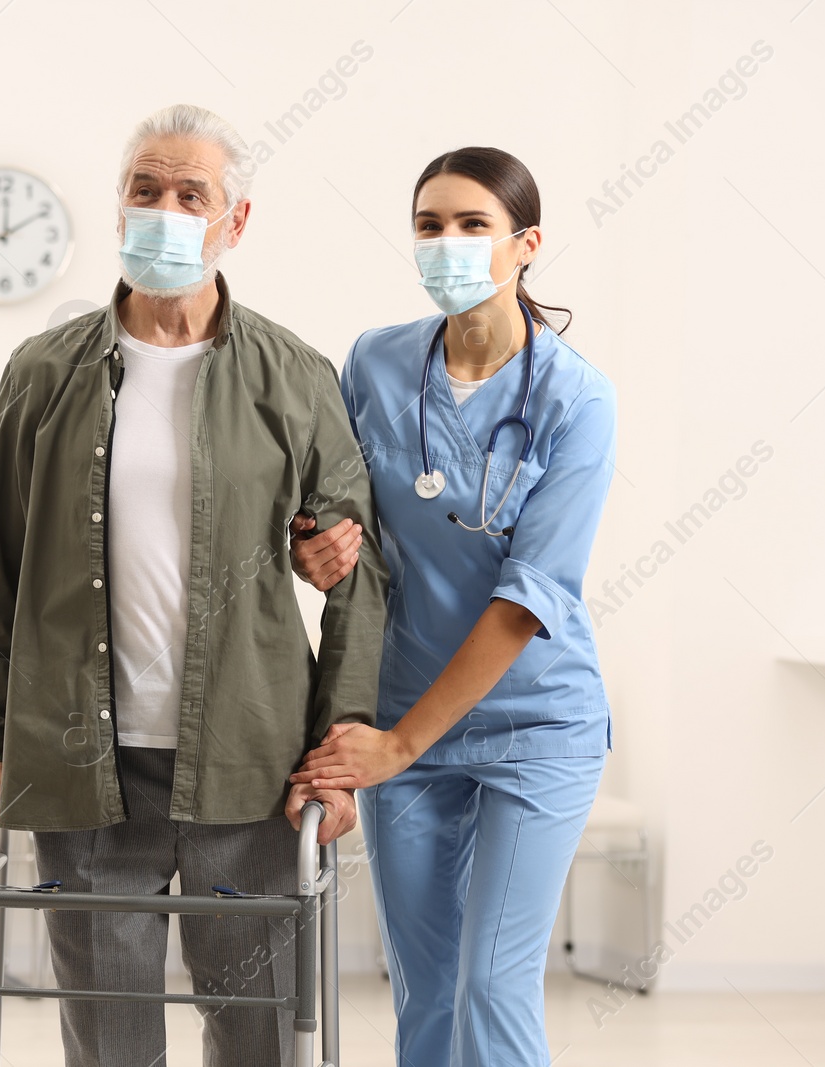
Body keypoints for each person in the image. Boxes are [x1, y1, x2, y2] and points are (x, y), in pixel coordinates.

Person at [0, 104, 387, 1067]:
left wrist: (341, 746)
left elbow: (359, 575)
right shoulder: (42, 374)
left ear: (237, 221)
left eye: (193, 194)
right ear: (118, 207)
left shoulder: (295, 377)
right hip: (80, 766)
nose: (165, 209)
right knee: (107, 1035)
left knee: (260, 1027)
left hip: (251, 765)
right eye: (145, 189)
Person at [288, 146, 617, 1067]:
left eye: (474, 224)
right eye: (430, 225)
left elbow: (528, 600)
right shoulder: (378, 361)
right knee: (425, 989)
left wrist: (397, 745)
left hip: (532, 720)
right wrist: (311, 545)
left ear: (526, 245)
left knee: (491, 984)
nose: (448, 242)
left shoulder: (576, 399)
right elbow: (335, 509)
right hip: (404, 707)